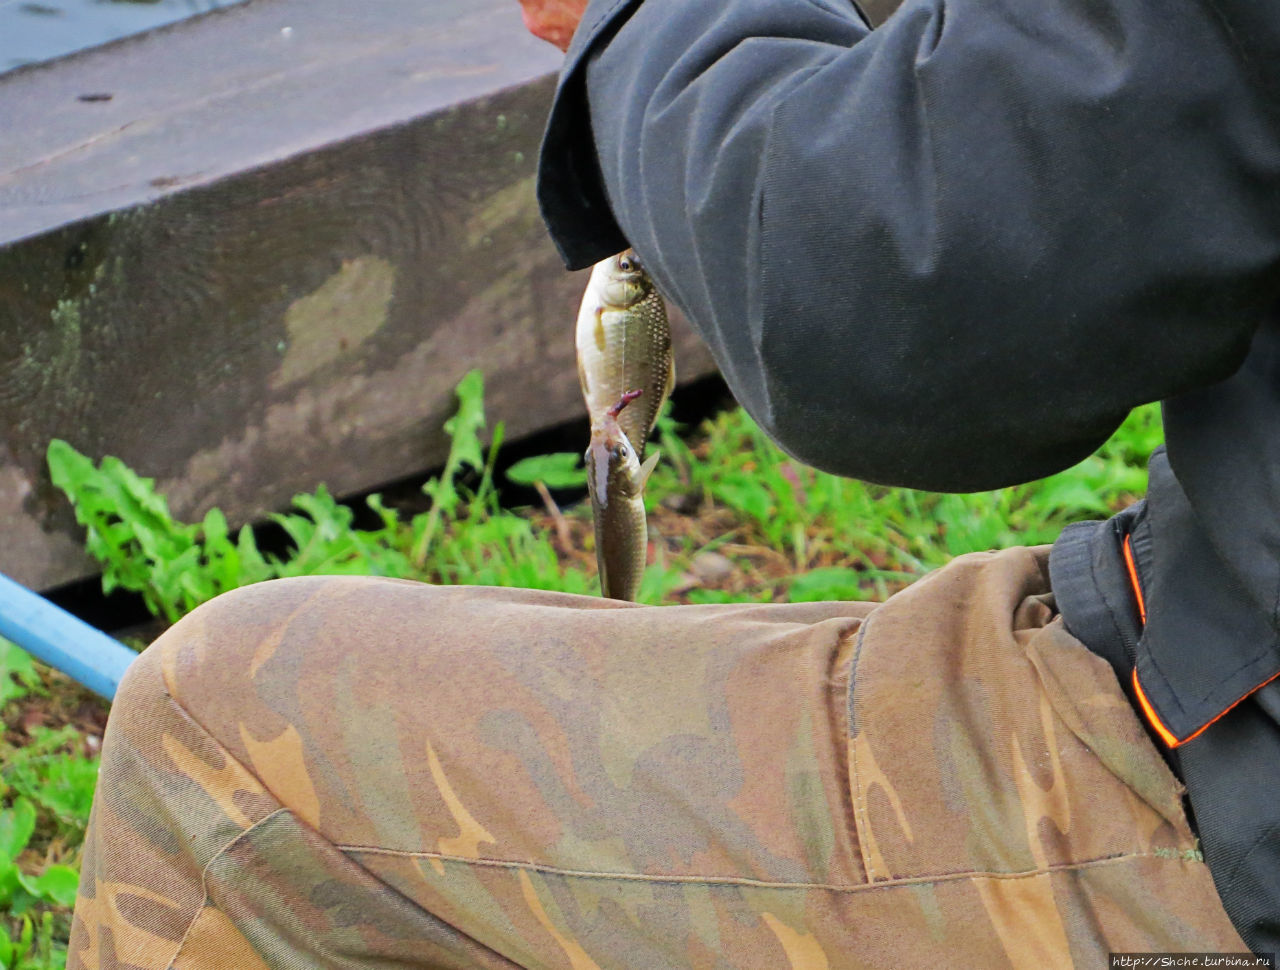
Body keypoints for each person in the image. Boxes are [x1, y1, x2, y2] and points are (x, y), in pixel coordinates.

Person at [68, 0, 1277, 964]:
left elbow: (888, 296)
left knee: (221, 728)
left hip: (1240, 813)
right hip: (1205, 621)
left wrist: (642, 15)